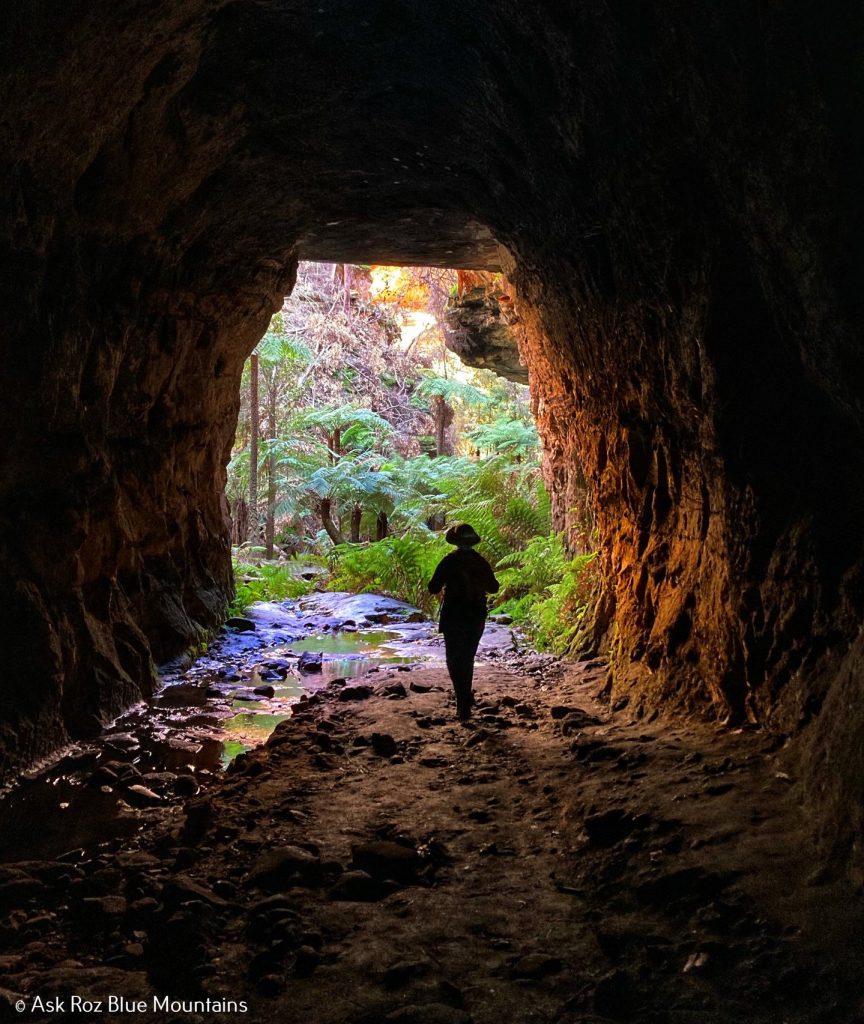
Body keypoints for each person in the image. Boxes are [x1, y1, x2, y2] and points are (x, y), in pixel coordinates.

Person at [428, 523, 499, 720]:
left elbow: (433, 587)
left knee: (453, 657)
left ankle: (462, 699)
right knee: (468, 656)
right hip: (475, 614)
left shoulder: (449, 561)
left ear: (455, 542)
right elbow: (494, 587)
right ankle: (465, 698)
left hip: (453, 614)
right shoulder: (480, 561)